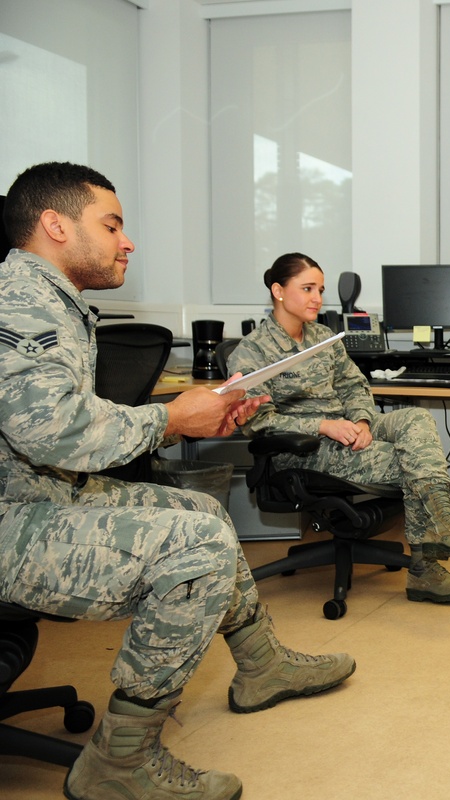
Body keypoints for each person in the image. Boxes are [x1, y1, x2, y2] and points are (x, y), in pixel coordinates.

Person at [0, 162, 356, 800]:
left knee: (202, 510)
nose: (127, 240)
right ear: (54, 225)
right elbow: (49, 429)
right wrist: (169, 418)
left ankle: (261, 666)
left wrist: (192, 419)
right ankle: (120, 761)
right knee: (194, 547)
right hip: (11, 515)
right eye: (111, 225)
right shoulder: (18, 298)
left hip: (40, 492)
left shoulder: (52, 298)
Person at [227, 253, 450, 604]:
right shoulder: (251, 352)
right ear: (279, 291)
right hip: (301, 449)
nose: (318, 297)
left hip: (347, 429)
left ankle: (443, 528)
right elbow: (260, 422)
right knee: (412, 461)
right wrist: (324, 425)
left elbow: (354, 386)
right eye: (307, 288)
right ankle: (426, 567)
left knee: (416, 419)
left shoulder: (323, 337)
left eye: (320, 288)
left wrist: (362, 421)